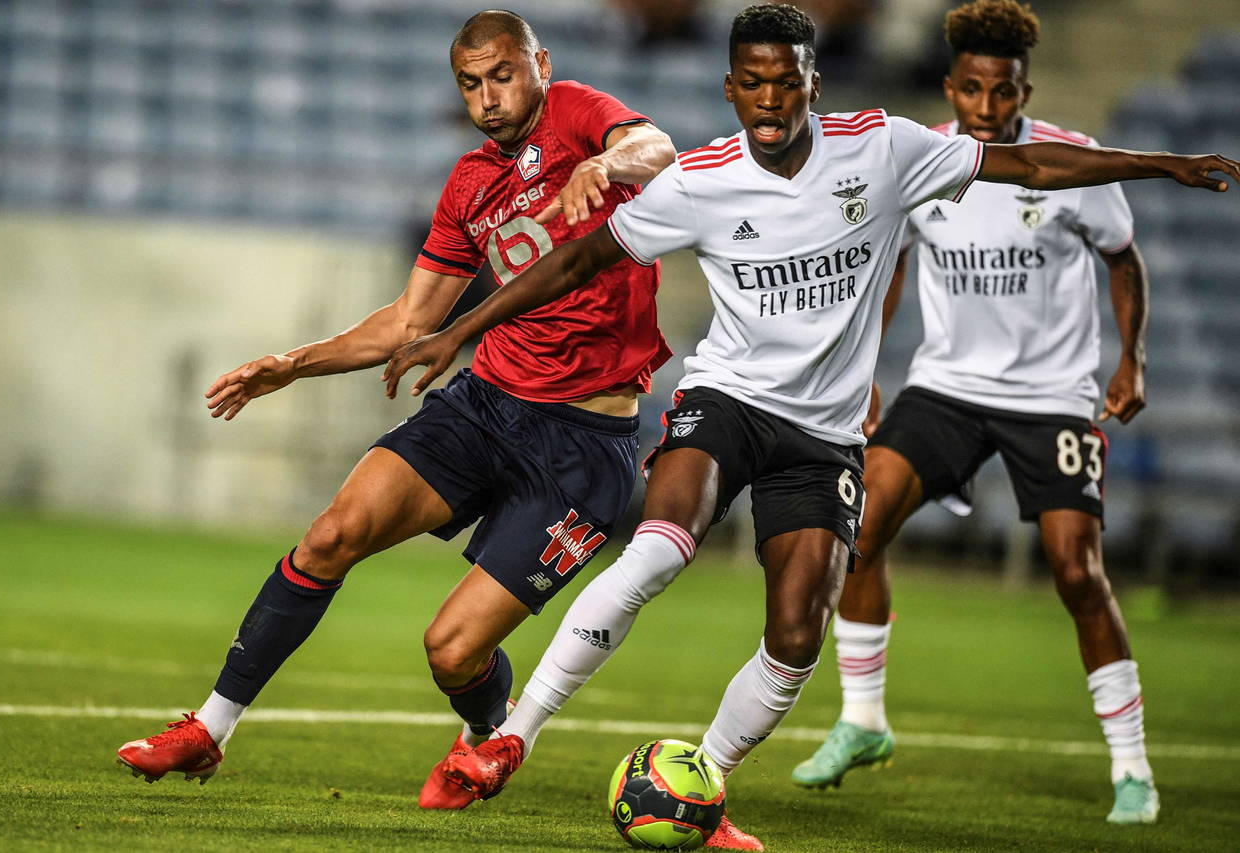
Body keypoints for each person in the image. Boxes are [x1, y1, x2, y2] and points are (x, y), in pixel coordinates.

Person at [384, 4, 1237, 848]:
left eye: (785, 82)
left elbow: (1032, 165)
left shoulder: (884, 148)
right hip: (727, 399)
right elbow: (579, 257)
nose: (770, 99)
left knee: (796, 639)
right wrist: (463, 327)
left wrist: (1160, 165)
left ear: (812, 85)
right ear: (729, 88)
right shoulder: (700, 180)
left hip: (823, 432)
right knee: (657, 549)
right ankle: (512, 736)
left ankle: (703, 785)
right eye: (752, 83)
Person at [114, 9, 676, 812]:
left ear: (541, 65)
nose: (488, 97)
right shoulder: (470, 183)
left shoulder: (579, 114)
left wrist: (608, 162)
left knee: (451, 651)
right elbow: (411, 320)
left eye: (503, 75)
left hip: (583, 445)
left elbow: (658, 146)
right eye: (471, 84)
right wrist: (293, 364)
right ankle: (210, 726)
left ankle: (485, 731)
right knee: (330, 535)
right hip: (485, 406)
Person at [790, 0, 1162, 825]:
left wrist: (1132, 357)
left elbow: (1123, 258)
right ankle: (863, 719)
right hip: (947, 389)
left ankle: (1133, 767)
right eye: (972, 90)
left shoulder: (1071, 162)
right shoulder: (923, 160)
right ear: (950, 86)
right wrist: (863, 366)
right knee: (859, 528)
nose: (987, 107)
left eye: (1004, 92)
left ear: (1025, 88)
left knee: (1077, 571)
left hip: (1050, 398)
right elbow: (889, 265)